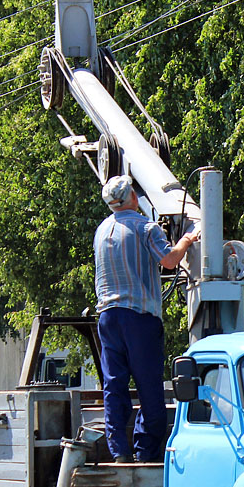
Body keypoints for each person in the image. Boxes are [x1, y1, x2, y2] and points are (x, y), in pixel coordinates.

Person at [94, 174, 198, 463]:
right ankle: (146, 451)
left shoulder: (102, 231)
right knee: (148, 385)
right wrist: (187, 239)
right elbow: (168, 260)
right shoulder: (145, 227)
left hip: (107, 318)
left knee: (114, 386)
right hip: (139, 318)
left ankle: (119, 453)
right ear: (132, 197)